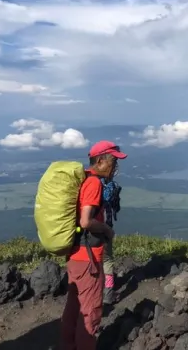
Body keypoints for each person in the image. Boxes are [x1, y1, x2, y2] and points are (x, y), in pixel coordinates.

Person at [61, 140, 127, 350]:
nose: (115, 166)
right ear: (100, 161)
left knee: (74, 307)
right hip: (88, 258)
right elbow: (85, 221)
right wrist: (107, 230)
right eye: (113, 161)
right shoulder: (94, 184)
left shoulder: (86, 180)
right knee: (91, 311)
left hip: (76, 254)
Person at [100, 172, 122, 305]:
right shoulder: (111, 187)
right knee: (107, 261)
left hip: (91, 230)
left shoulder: (91, 185)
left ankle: (95, 290)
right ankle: (108, 294)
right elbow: (115, 208)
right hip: (106, 228)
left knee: (94, 261)